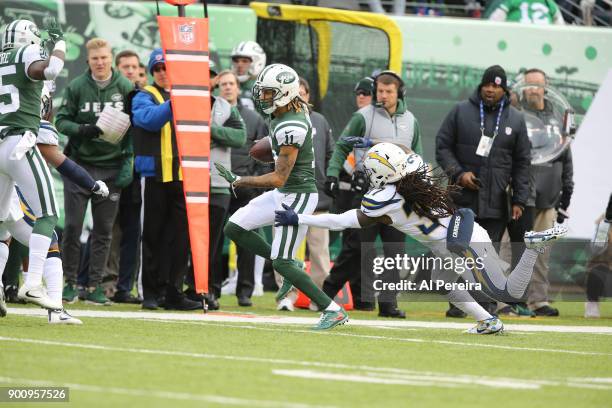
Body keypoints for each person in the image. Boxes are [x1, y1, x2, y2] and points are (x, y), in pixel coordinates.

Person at [276, 144, 567, 334]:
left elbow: (339, 221)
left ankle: (531, 248)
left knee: (507, 294)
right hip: (455, 235)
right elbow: (403, 151)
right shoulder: (415, 167)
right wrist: (380, 146)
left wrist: (299, 217)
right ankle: (487, 321)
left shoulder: (382, 199)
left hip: (458, 243)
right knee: (443, 283)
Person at [215, 63, 348, 331]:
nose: (262, 97)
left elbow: (279, 177)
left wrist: (242, 180)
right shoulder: (287, 109)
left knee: (281, 262)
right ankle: (291, 264)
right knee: (234, 227)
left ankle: (332, 309)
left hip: (297, 196)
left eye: (268, 93)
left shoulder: (293, 126)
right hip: (284, 192)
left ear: (284, 93)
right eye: (262, 92)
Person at [324, 70, 423, 318]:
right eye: (380, 90)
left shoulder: (411, 120)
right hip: (368, 192)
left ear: (398, 92)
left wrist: (420, 188)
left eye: (388, 91)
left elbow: (418, 157)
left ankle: (388, 305)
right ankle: (325, 293)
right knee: (356, 247)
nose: (383, 95)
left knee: (394, 252)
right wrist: (333, 174)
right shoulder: (362, 117)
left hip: (399, 198)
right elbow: (342, 145)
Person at [436, 65, 531, 317]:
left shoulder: (517, 119)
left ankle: (487, 306)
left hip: (497, 201)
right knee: (457, 250)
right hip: (461, 198)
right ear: (481, 86)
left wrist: (519, 199)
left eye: (496, 86)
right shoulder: (460, 111)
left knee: (490, 254)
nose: (491, 89)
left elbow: (523, 163)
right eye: (487, 85)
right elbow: (442, 147)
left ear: (504, 89)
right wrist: (460, 174)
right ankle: (458, 306)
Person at [56, 37, 134, 305]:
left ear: (111, 58)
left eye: (104, 58)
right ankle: (68, 283)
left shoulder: (125, 87)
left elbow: (134, 129)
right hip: (80, 166)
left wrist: (128, 162)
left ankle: (95, 286)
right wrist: (81, 130)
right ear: (88, 61)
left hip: (111, 168)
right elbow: (60, 120)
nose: (100, 63)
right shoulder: (77, 86)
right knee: (73, 226)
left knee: (103, 231)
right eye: (94, 59)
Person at [0, 18, 68, 310]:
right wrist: (60, 43)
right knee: (48, 215)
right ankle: (32, 283)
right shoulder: (26, 53)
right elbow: (51, 68)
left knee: (1, 224)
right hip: (19, 141)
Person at [131, 48, 201, 311]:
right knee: (152, 236)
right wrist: (175, 103)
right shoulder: (143, 95)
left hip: (184, 176)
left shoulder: (188, 95)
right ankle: (150, 292)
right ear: (152, 72)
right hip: (154, 176)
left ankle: (174, 292)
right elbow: (147, 121)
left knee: (181, 239)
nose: (162, 72)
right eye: (157, 68)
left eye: (166, 67)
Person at [519, 68, 574, 316]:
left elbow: (566, 160)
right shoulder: (516, 116)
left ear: (546, 87)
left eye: (537, 85)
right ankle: (506, 301)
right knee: (512, 250)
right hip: (519, 197)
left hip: (548, 198)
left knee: (541, 253)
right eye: (528, 85)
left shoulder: (557, 118)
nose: (532, 90)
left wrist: (566, 197)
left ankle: (538, 301)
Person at [216, 70, 268, 306]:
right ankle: (211, 289)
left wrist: (254, 183)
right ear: (218, 88)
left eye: (231, 84)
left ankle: (244, 291)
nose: (227, 87)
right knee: (215, 239)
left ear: (237, 87)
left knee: (245, 240)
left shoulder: (255, 118)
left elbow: (265, 153)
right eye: (223, 84)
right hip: (216, 186)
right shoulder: (211, 113)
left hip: (244, 188)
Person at [204, 68, 247, 310]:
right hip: (190, 181)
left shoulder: (226, 108)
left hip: (220, 184)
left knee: (215, 241)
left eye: (212, 75)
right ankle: (189, 287)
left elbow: (240, 137)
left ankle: (211, 290)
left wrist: (210, 131)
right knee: (188, 241)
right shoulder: (185, 101)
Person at [109, 49, 143, 304]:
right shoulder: (110, 97)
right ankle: (96, 281)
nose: (130, 71)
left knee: (132, 232)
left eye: (134, 67)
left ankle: (123, 287)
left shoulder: (143, 97)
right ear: (116, 68)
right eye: (125, 66)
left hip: (136, 175)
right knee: (105, 230)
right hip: (109, 171)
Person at [230, 41, 266, 111]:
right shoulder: (227, 84)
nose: (239, 65)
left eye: (245, 61)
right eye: (236, 61)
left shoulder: (263, 88)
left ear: (258, 63)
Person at [489, 0, 566, 24]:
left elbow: (494, 20)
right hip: (545, 40)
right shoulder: (548, 2)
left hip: (516, 38)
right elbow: (560, 26)